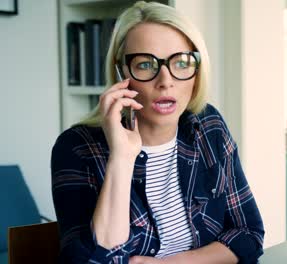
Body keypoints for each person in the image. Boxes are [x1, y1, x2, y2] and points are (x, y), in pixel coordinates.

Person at [50, 1, 264, 263]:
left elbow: (249, 235)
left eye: (182, 62)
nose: (166, 81)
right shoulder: (76, 148)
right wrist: (121, 157)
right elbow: (90, 261)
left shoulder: (208, 127)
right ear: (121, 72)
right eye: (145, 64)